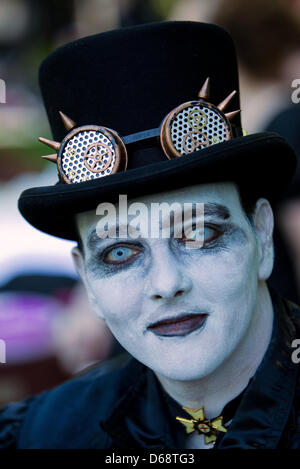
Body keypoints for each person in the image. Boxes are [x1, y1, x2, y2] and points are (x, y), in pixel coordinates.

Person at [0, 21, 299, 450]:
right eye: (120, 251)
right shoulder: (43, 436)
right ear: (87, 280)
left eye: (198, 233)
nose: (166, 284)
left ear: (263, 236)